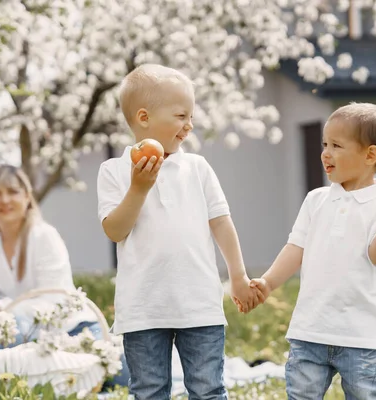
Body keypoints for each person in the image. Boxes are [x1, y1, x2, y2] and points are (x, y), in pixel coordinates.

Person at [97, 63, 262, 399]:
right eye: (180, 116)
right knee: (149, 390)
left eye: (191, 117)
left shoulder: (196, 167)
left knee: (207, 388)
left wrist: (239, 277)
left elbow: (221, 222)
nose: (189, 125)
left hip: (198, 302)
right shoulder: (114, 171)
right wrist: (139, 188)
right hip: (143, 307)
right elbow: (115, 230)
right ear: (144, 118)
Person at [249, 103, 376, 399]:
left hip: (361, 337)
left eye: (336, 145)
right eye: (324, 144)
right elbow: (296, 247)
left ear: (370, 155)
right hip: (310, 330)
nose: (325, 153)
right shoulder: (316, 200)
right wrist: (268, 283)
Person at [0, 164, 130, 388]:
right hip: (27, 340)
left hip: (74, 330)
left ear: (27, 196)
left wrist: (1, 307)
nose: (4, 200)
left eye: (13, 192)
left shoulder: (43, 236)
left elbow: (53, 300)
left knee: (123, 377)